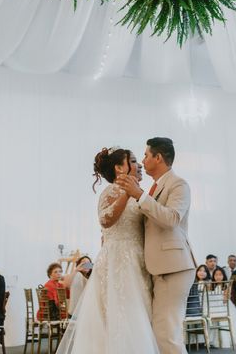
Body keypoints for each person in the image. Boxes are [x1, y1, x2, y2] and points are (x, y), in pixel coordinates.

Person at [57, 147, 158, 354]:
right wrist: (127, 194)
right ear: (119, 168)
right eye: (132, 160)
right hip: (118, 262)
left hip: (138, 260)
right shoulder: (111, 191)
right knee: (123, 317)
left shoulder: (142, 193)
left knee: (140, 315)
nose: (138, 164)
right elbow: (105, 219)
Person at [116, 137, 197, 354]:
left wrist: (139, 195)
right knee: (159, 332)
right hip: (156, 268)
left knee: (166, 334)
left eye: (145, 155)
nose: (142, 160)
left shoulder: (178, 184)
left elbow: (171, 219)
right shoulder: (154, 187)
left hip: (174, 268)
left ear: (158, 157)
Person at [209, 267, 236, 347]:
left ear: (223, 276)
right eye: (216, 275)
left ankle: (226, 339)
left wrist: (223, 296)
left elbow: (226, 298)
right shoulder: (211, 285)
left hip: (225, 305)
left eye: (220, 275)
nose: (218, 277)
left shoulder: (226, 285)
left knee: (226, 320)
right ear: (213, 276)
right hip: (214, 305)